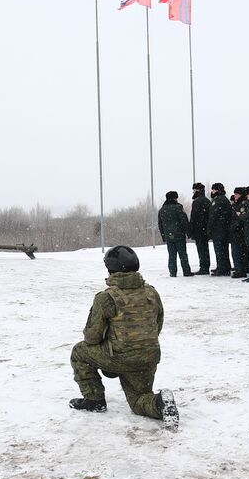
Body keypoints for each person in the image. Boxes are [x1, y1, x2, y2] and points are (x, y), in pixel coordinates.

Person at [68, 245, 177, 425]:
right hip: (148, 356)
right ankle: (160, 404)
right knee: (139, 400)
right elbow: (158, 324)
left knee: (79, 352)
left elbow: (92, 337)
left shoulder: (106, 298)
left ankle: (94, 400)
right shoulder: (151, 292)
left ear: (111, 269)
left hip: (120, 356)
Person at [156, 191, 193, 277]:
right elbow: (184, 221)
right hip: (179, 235)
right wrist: (188, 232)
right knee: (183, 254)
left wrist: (164, 236)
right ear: (174, 198)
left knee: (172, 255)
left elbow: (160, 225)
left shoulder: (162, 210)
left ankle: (172, 272)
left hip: (169, 236)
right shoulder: (178, 207)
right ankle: (186, 271)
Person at [207, 182, 233, 276]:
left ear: (217, 190)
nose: (212, 191)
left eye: (213, 190)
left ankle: (222, 268)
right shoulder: (225, 199)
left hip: (218, 229)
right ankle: (226, 267)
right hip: (225, 229)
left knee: (219, 250)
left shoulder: (217, 200)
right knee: (224, 249)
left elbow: (212, 216)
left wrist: (209, 229)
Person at [188, 182, 211, 277]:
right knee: (205, 249)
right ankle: (206, 266)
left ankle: (204, 268)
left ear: (196, 190)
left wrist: (191, 230)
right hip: (205, 229)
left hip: (198, 229)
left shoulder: (197, 201)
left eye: (193, 190)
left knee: (201, 249)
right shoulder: (207, 201)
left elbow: (194, 217)